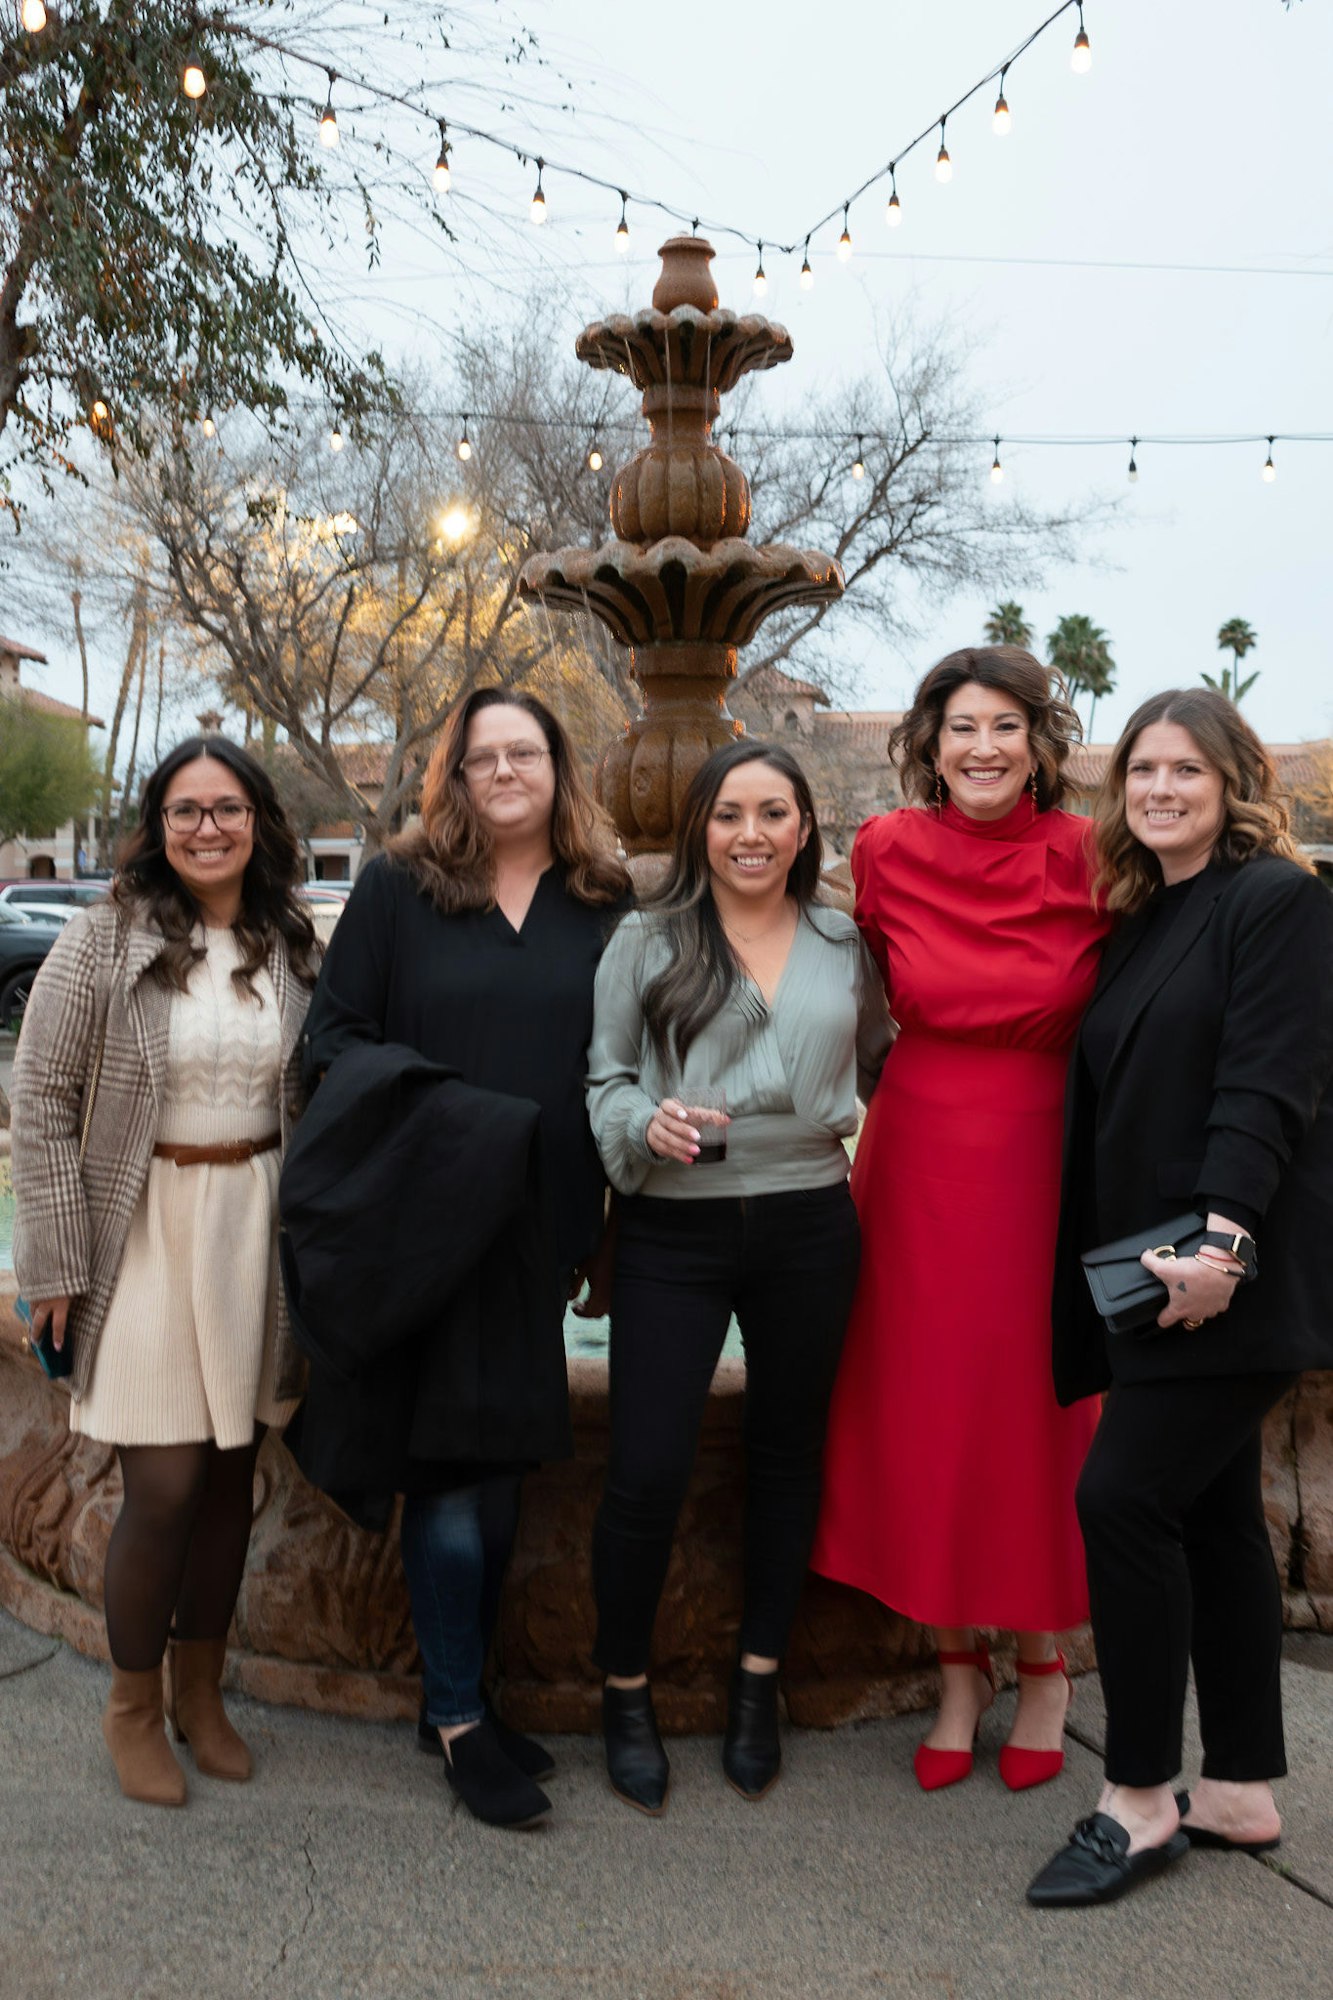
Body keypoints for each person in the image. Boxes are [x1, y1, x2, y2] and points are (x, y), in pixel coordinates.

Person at [292, 688, 630, 1830]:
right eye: (479, 755)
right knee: (444, 1469)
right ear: (454, 774)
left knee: (499, 1472)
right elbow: (330, 1039)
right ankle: (452, 1717)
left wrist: (604, 1223)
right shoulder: (400, 887)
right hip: (430, 1218)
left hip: (540, 1227)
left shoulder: (603, 901)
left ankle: (469, 1693)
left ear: (556, 766)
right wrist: (460, 1120)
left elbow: (622, 1066)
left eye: (521, 751)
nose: (501, 770)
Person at [1027, 688, 1333, 1906]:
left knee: (1120, 1496)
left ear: (1231, 782)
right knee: (1208, 1514)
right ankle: (1244, 1787)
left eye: (1184, 771)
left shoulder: (1277, 902)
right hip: (1152, 1272)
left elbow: (1266, 1086)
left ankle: (1140, 1795)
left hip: (1222, 1271)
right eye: (1141, 770)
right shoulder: (1148, 917)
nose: (1157, 788)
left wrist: (1222, 1242)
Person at [812, 647, 1111, 1792]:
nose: (980, 748)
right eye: (958, 728)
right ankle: (954, 1665)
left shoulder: (1094, 858)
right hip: (918, 1151)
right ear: (927, 745)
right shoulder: (884, 852)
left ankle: (1045, 1663)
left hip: (1043, 1153)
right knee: (924, 1402)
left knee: (1035, 1402)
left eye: (1003, 726)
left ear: (1039, 739)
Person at [11, 738, 319, 1807]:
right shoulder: (105, 937)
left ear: (256, 820)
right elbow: (42, 1096)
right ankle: (132, 1703)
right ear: (158, 821)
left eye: (226, 807)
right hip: (139, 1223)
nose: (205, 827)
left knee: (233, 1479)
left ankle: (203, 1693)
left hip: (255, 1223)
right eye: (184, 809)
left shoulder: (291, 940)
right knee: (168, 1481)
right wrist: (48, 1258)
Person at [586, 739, 892, 1812]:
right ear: (698, 828)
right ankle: (623, 1692)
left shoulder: (845, 940)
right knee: (647, 1467)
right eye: (728, 813)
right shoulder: (647, 939)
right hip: (675, 1223)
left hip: (812, 1218)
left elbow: (883, 1063)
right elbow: (606, 1076)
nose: (750, 833)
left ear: (805, 827)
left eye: (773, 812)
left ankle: (756, 1682)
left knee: (786, 1454)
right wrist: (641, 1117)